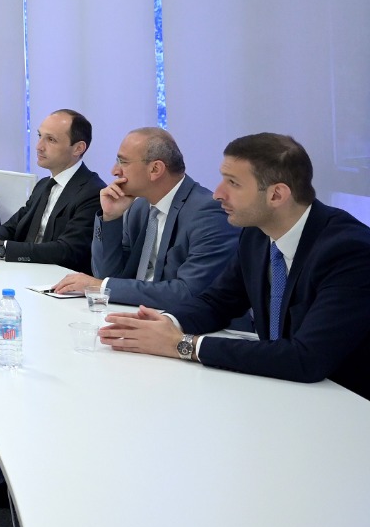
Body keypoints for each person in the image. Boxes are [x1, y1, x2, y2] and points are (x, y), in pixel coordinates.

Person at [99, 133, 370, 400]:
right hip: (282, 391)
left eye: (233, 183)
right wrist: (167, 323)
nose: (218, 193)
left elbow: (307, 357)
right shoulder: (257, 234)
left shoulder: (349, 251)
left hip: (344, 403)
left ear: (276, 195)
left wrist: (183, 345)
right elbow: (217, 302)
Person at [50, 127, 240, 307]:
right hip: (139, 313)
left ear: (155, 169)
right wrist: (110, 218)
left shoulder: (208, 213)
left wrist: (101, 286)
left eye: (123, 162)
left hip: (191, 324)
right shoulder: (139, 207)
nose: (114, 171)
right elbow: (108, 275)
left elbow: (188, 292)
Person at [0, 110, 104, 273]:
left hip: (59, 278)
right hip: (28, 272)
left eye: (51, 140)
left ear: (78, 148)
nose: (39, 147)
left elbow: (67, 251)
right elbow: (15, 225)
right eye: (40, 136)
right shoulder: (44, 185)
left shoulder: (93, 192)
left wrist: (0, 248)